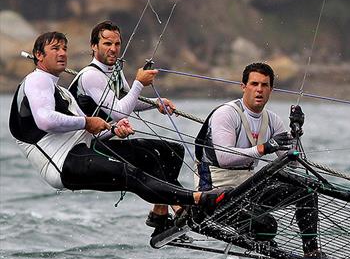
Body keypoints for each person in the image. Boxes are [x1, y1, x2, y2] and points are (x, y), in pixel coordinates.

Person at [9, 31, 223, 224]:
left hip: (79, 149)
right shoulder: (38, 80)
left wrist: (111, 130)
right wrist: (88, 121)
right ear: (39, 55)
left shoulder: (61, 91)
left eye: (64, 48)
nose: (62, 53)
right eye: (55, 49)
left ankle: (165, 213)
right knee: (131, 174)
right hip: (62, 162)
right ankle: (196, 200)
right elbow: (45, 121)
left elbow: (86, 129)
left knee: (157, 155)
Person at [194, 62, 322, 257]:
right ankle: (259, 234)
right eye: (254, 84)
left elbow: (295, 163)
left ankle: (311, 252)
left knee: (307, 190)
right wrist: (264, 148)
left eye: (264, 85)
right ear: (243, 86)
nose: (259, 90)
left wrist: (296, 133)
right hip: (216, 192)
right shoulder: (226, 114)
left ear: (271, 89)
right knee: (268, 226)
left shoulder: (272, 120)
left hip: (248, 189)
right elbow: (224, 157)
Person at [68, 20, 182, 232]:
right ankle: (181, 208)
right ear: (94, 46)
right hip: (85, 145)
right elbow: (119, 112)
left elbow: (127, 101)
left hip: (106, 137)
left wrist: (155, 104)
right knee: (153, 156)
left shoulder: (115, 69)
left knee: (174, 151)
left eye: (117, 44)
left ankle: (160, 214)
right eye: (107, 43)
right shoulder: (91, 75)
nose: (113, 49)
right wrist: (139, 82)